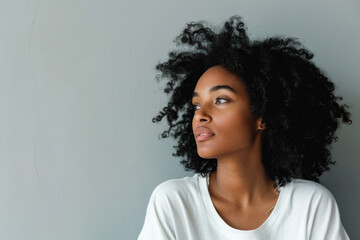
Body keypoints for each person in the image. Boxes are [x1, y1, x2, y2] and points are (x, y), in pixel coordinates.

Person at [138, 15, 352, 240]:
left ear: (262, 115)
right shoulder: (174, 202)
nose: (200, 115)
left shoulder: (310, 205)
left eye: (220, 100)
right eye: (196, 105)